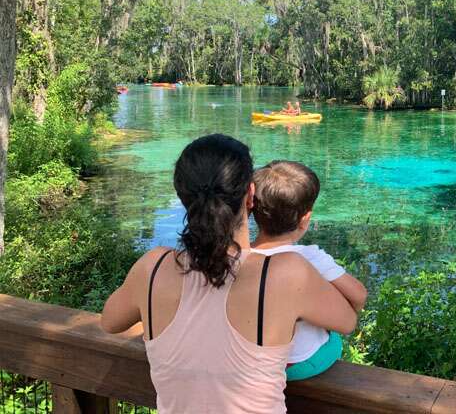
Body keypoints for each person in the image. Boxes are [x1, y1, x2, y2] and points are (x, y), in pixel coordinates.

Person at [100, 134, 357, 414]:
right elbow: (347, 320)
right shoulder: (285, 272)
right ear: (250, 196)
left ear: (182, 196)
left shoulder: (152, 267)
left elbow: (111, 322)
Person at [250, 160, 367, 381]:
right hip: (296, 364)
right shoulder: (309, 257)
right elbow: (359, 295)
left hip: (254, 361)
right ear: (305, 219)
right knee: (333, 340)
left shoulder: (240, 255)